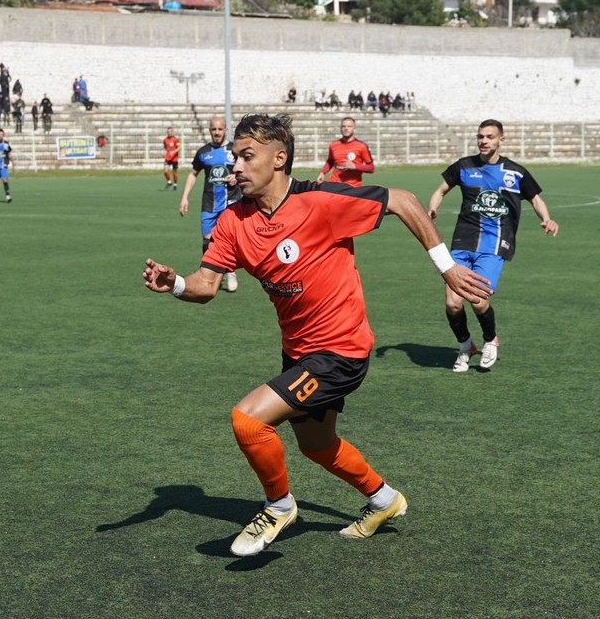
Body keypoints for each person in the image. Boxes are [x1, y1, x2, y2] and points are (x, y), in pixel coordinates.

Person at [143, 114, 491, 557]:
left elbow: (403, 200)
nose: (236, 168)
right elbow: (207, 285)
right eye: (235, 158)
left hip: (342, 350)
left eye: (247, 157)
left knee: (248, 420)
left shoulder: (321, 200)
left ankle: (279, 506)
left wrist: (448, 267)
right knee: (317, 446)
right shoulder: (233, 221)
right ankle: (386, 500)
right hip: (300, 353)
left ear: (279, 158)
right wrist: (174, 283)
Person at [427, 119, 558, 373]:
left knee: (477, 300)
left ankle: (490, 339)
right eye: (480, 136)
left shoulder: (515, 173)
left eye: (489, 137)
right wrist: (432, 207)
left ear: (501, 140)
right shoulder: (464, 167)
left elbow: (535, 198)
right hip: (462, 242)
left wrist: (546, 218)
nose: (484, 141)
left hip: (495, 243)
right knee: (453, 304)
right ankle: (466, 346)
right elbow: (441, 190)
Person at [180, 116, 239, 292]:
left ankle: (230, 271)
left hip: (231, 201)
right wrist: (185, 197)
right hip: (209, 202)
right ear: (210, 130)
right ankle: (209, 272)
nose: (217, 132)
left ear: (226, 130)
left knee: (229, 238)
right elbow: (193, 174)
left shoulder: (234, 150)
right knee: (207, 240)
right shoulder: (203, 152)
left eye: (220, 129)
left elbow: (247, 168)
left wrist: (237, 176)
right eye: (214, 129)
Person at [317, 116, 375, 186]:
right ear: (340, 128)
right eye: (343, 126)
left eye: (349, 126)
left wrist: (355, 166)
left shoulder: (361, 146)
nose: (346, 128)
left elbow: (371, 168)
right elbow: (330, 161)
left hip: (352, 186)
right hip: (334, 184)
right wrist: (323, 172)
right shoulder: (333, 145)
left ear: (354, 128)